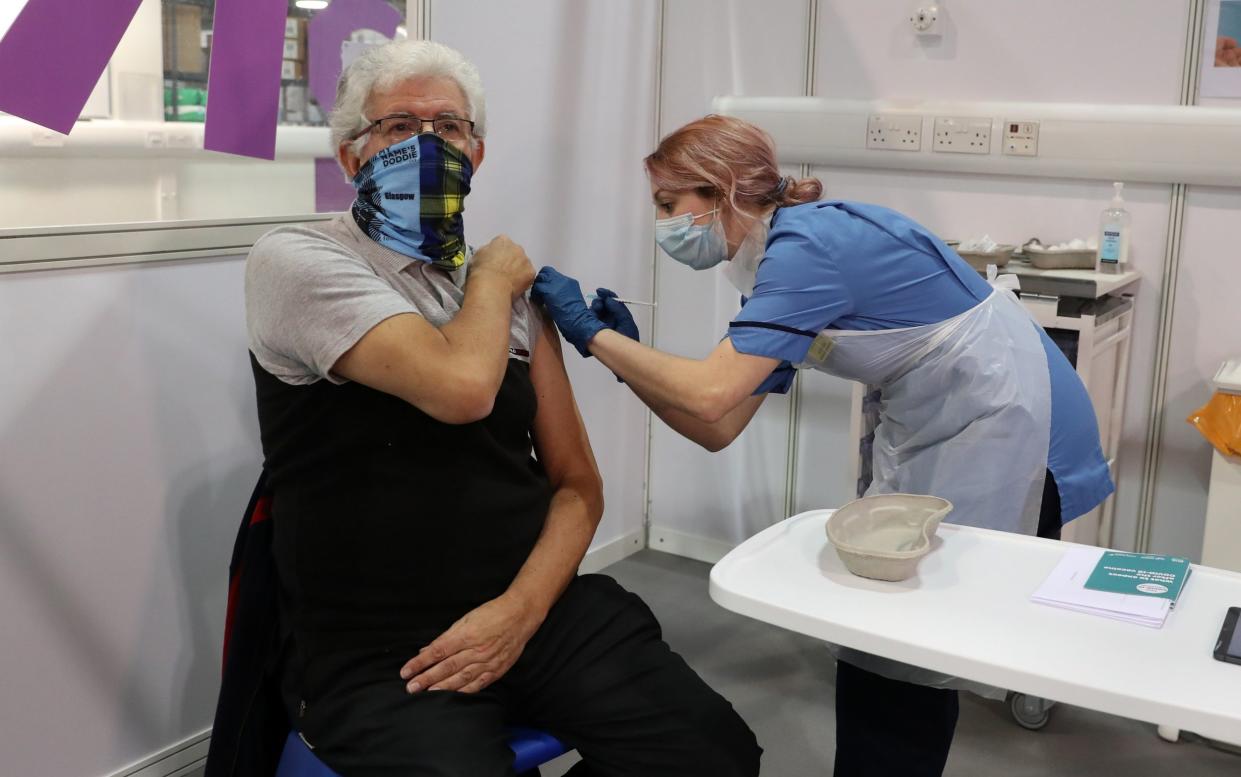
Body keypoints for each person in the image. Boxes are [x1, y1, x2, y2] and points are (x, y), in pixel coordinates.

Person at [532, 114, 1115, 777]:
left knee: (904, 649)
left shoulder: (809, 248)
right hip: (952, 420)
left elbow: (707, 396)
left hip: (1006, 423)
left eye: (669, 205)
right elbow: (718, 428)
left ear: (720, 188)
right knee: (895, 645)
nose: (662, 224)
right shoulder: (777, 258)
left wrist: (590, 334)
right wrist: (624, 357)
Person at [243, 43, 760, 777]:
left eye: (449, 127)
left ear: (476, 153)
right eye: (398, 126)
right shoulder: (298, 261)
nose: (427, 145)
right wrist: (489, 276)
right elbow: (461, 389)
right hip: (381, 641)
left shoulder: (512, 296)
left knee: (711, 753)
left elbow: (578, 486)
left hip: (532, 602)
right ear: (350, 155)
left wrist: (518, 612)